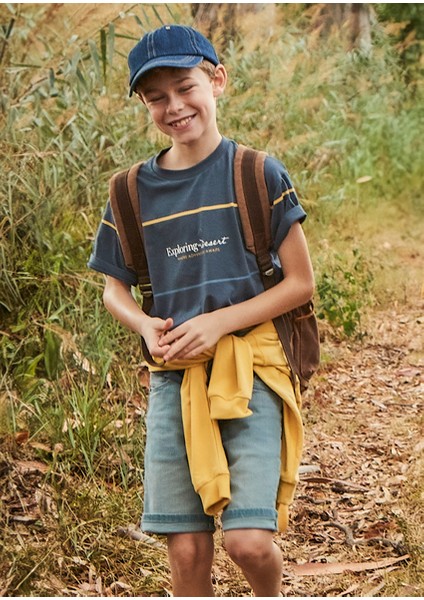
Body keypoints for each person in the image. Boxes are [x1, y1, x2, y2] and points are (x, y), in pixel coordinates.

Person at [88, 24, 315, 597]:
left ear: (217, 81)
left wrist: (218, 322)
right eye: (156, 97)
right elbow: (115, 290)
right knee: (187, 550)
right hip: (174, 377)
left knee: (248, 543)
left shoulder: (256, 173)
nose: (174, 107)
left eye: (185, 87)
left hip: (251, 370)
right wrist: (144, 325)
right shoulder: (129, 191)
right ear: (145, 105)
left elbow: (300, 283)